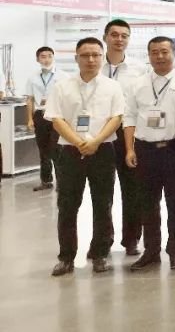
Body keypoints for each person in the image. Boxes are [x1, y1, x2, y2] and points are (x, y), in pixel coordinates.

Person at [46, 37, 127, 276]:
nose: (90, 60)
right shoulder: (62, 86)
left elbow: (117, 117)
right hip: (70, 151)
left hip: (103, 150)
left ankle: (100, 254)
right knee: (67, 205)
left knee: (103, 203)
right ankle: (66, 257)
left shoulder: (112, 87)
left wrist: (96, 141)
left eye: (95, 55)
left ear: (102, 57)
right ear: (76, 58)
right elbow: (56, 119)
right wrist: (79, 142)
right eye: (85, 55)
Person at [123, 36, 175, 272]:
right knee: (147, 203)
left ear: (173, 54)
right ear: (148, 55)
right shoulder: (137, 84)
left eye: (164, 51)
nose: (159, 56)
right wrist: (129, 148)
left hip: (174, 149)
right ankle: (151, 251)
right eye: (154, 52)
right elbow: (129, 117)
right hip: (145, 150)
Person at [102, 19, 148, 257]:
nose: (119, 39)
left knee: (132, 189)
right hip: (99, 134)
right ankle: (102, 240)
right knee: (102, 191)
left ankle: (131, 239)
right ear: (105, 37)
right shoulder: (94, 65)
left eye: (124, 35)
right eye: (114, 35)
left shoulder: (139, 69)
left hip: (128, 132)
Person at [25, 46, 67, 192]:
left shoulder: (63, 76)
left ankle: (62, 182)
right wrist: (30, 119)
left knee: (56, 149)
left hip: (57, 116)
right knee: (43, 149)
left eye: (50, 56)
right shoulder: (32, 78)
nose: (47, 59)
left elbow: (68, 98)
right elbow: (30, 99)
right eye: (43, 56)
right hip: (40, 115)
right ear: (38, 59)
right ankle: (46, 181)